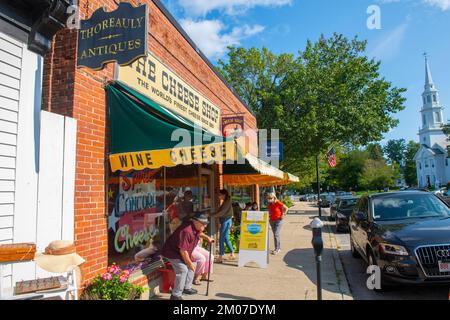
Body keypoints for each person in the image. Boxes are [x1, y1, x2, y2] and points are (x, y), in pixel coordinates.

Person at [161, 213, 213, 300]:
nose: (205, 225)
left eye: (206, 223)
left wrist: (207, 238)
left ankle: (187, 287)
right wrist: (189, 263)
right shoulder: (187, 231)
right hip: (172, 252)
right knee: (183, 270)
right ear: (196, 222)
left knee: (193, 263)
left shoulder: (195, 227)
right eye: (203, 223)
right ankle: (176, 295)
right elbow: (183, 251)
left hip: (180, 251)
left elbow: (199, 233)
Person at [212, 189, 236, 263]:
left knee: (221, 238)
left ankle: (220, 256)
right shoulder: (226, 201)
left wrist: (212, 215)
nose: (219, 196)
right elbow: (221, 211)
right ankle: (232, 253)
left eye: (220, 195)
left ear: (224, 195)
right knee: (226, 238)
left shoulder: (227, 202)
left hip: (226, 220)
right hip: (226, 220)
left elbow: (222, 212)